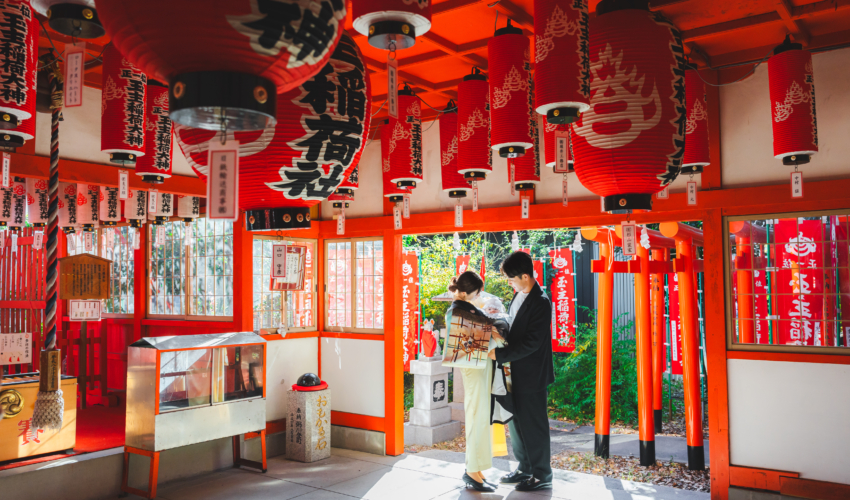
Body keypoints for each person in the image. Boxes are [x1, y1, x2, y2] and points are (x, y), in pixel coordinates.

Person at [488, 251, 555, 491]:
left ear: (525, 276)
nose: (509, 283)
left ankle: (542, 473)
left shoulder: (540, 301)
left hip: (532, 374)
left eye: (511, 278)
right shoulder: (519, 295)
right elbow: (515, 328)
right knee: (515, 421)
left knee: (533, 423)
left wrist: (500, 354)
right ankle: (524, 467)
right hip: (513, 371)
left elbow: (532, 343)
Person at [445, 271, 504, 492]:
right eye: (477, 291)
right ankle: (471, 471)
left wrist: (492, 333)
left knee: (481, 417)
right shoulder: (457, 310)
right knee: (476, 416)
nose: (480, 295)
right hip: (473, 368)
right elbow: (465, 346)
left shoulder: (464, 307)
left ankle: (477, 469)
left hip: (479, 368)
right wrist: (494, 339)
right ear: (465, 292)